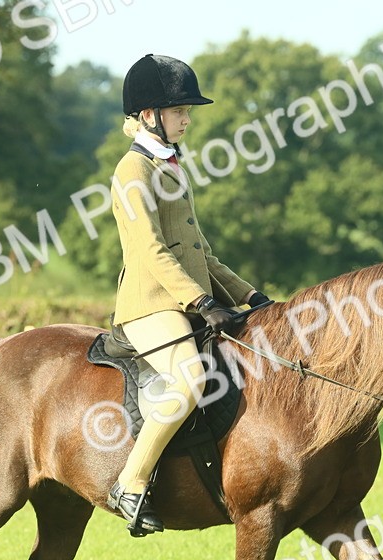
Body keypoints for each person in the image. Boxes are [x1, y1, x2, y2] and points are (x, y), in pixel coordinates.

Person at [107, 53, 270, 534]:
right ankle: (131, 483)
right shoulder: (132, 172)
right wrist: (201, 302)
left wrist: (251, 296)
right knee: (191, 377)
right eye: (179, 111)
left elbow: (203, 254)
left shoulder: (172, 167)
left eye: (187, 111)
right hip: (150, 306)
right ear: (149, 114)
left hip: (184, 299)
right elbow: (153, 252)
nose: (187, 119)